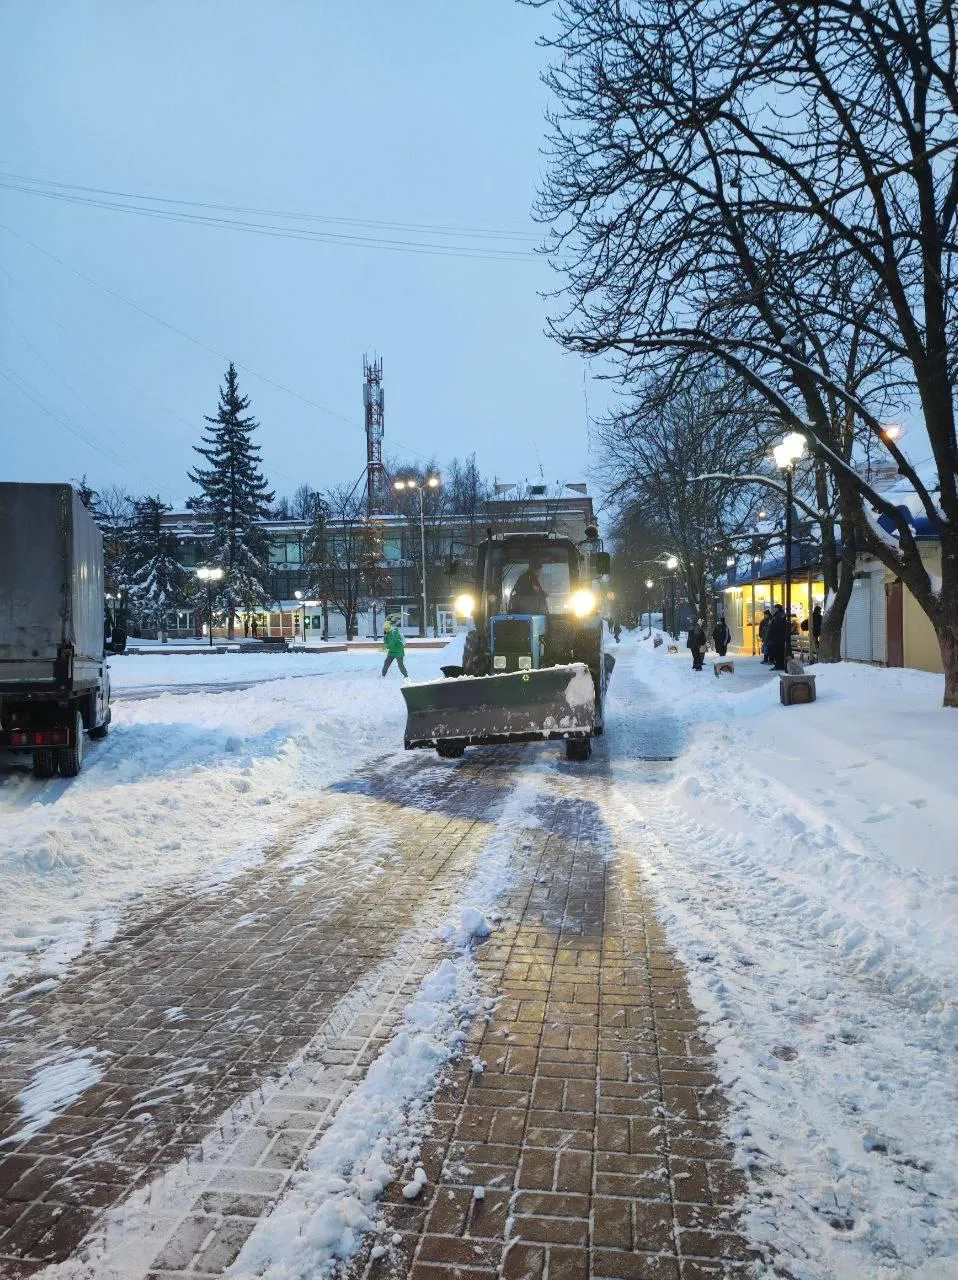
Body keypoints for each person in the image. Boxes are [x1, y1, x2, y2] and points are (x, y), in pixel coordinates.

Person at [765, 603, 788, 671]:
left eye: (775, 608)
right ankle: (778, 664)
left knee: (778, 652)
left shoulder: (779, 615)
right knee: (777, 652)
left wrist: (771, 623)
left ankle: (779, 665)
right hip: (777, 637)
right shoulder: (778, 615)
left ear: (777, 608)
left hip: (778, 637)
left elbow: (777, 626)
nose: (774, 609)